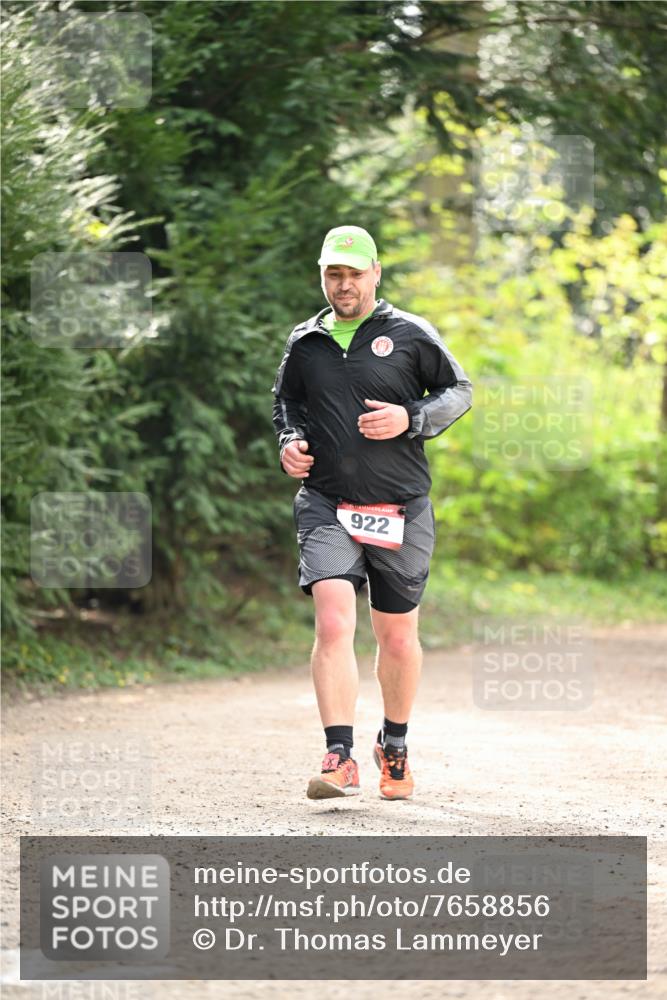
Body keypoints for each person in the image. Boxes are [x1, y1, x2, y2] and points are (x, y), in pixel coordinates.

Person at [272, 225, 472, 801]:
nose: (343, 284)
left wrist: (412, 417)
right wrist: (288, 439)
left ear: (375, 274)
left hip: (399, 507)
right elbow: (287, 400)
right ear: (322, 275)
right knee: (334, 620)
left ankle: (395, 745)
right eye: (333, 273)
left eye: (354, 273)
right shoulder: (306, 340)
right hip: (327, 502)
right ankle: (339, 755)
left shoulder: (408, 334)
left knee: (398, 637)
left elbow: (458, 389)